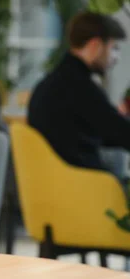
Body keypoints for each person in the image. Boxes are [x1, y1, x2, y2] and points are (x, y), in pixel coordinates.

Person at [28, 11, 130, 175]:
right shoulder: (79, 86)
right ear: (96, 45)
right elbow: (122, 132)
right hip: (81, 185)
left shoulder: (54, 82)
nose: (115, 58)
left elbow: (104, 132)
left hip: (54, 182)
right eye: (113, 48)